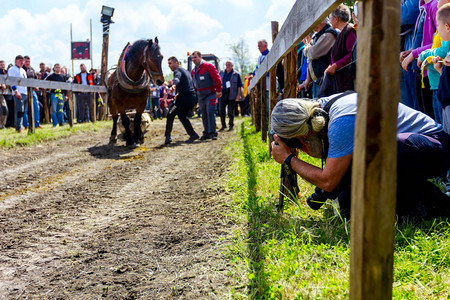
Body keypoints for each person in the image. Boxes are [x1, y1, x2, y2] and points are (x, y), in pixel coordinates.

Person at [270, 92, 450, 220]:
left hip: (433, 146)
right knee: (348, 204)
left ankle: (421, 209)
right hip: (404, 153)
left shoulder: (340, 120)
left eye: (297, 142)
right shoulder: (320, 111)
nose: (300, 148)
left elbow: (328, 180)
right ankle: (421, 199)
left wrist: (289, 159)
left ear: (304, 133)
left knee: (394, 148)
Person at [433, 3, 450, 195]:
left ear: (447, 27)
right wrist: (440, 68)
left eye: (438, 27)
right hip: (446, 103)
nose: (438, 32)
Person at [164, 56, 200, 144]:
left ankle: (167, 136)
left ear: (176, 63)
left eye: (170, 63)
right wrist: (178, 93)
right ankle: (193, 134)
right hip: (192, 98)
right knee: (182, 116)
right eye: (168, 64)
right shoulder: (186, 71)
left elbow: (177, 78)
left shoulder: (177, 71)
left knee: (170, 114)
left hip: (184, 99)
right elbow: (188, 84)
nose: (169, 66)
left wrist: (173, 85)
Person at [325, 4, 357, 93]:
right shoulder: (342, 33)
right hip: (341, 80)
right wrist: (330, 66)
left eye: (330, 18)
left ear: (336, 19)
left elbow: (352, 54)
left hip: (348, 80)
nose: (330, 21)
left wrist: (336, 65)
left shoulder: (349, 31)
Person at [191, 51, 222, 140]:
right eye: (192, 58)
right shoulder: (194, 71)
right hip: (201, 95)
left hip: (210, 93)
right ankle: (206, 132)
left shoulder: (208, 66)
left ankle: (213, 132)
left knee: (210, 112)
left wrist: (219, 91)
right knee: (203, 113)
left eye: (195, 57)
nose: (193, 60)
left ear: (200, 57)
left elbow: (217, 79)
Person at [219, 61, 243, 131]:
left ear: (232, 66)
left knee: (230, 111)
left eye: (229, 65)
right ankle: (223, 125)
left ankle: (231, 125)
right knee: (221, 111)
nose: (228, 66)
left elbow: (239, 86)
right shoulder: (221, 73)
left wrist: (238, 95)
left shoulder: (236, 74)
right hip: (222, 94)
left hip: (232, 95)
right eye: (226, 65)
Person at [8, 55, 28, 132]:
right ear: (16, 61)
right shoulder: (12, 69)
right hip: (18, 92)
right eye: (20, 61)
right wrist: (16, 91)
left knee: (24, 111)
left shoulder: (23, 70)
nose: (21, 62)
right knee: (19, 110)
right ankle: (18, 127)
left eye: (22, 61)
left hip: (25, 92)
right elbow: (11, 81)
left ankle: (22, 125)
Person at [22, 55, 41, 129]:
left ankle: (37, 124)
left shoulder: (32, 69)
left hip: (32, 90)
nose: (28, 63)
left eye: (29, 61)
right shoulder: (21, 69)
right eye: (26, 61)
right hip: (24, 90)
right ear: (23, 61)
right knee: (25, 109)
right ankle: (26, 124)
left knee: (36, 107)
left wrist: (36, 86)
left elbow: (36, 79)